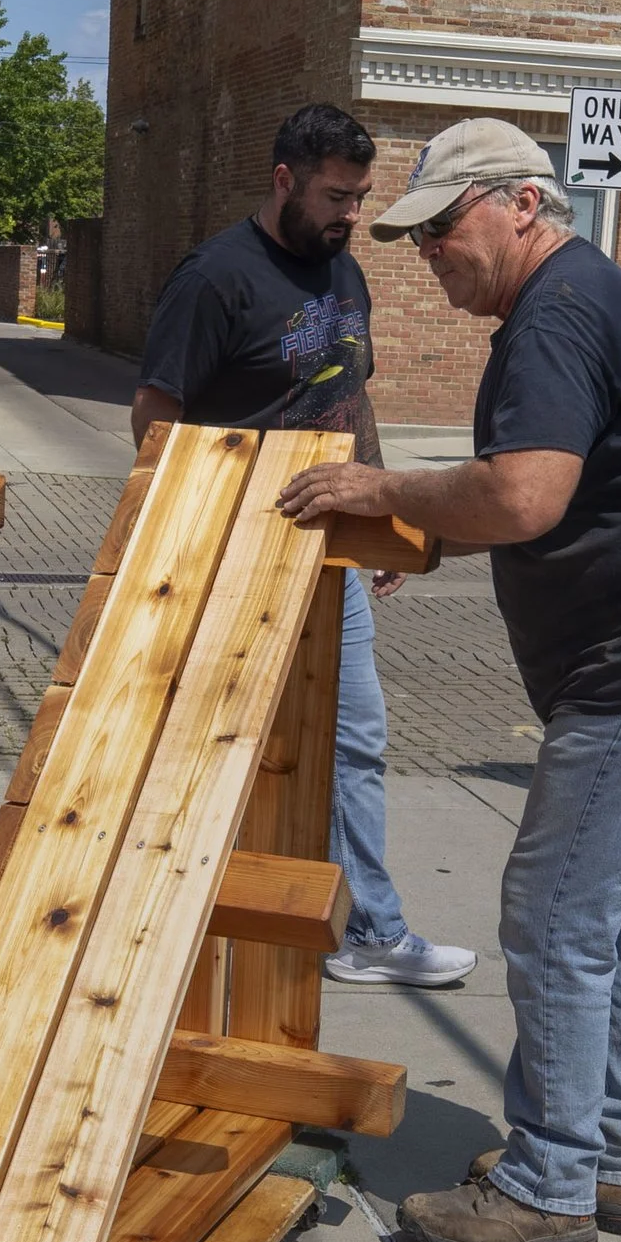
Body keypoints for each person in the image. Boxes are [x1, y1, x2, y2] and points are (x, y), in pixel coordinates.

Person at [277, 118, 621, 1242]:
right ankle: (612, 1158)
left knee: (555, 916)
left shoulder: (555, 315)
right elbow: (573, 495)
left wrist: (382, 488)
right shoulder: (585, 297)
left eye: (444, 229)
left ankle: (549, 1181)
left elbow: (521, 497)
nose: (430, 256)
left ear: (519, 204)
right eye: (412, 240)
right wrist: (419, 535)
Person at [134, 103, 476, 989]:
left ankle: (367, 930)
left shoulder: (345, 276)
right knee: (207, 740)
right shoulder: (216, 279)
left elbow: (350, 397)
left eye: (360, 198)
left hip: (331, 564)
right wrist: (185, 532)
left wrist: (381, 513)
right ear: (283, 179)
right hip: (228, 557)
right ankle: (155, 914)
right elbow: (155, 415)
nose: (350, 215)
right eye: (336, 195)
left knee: (353, 739)